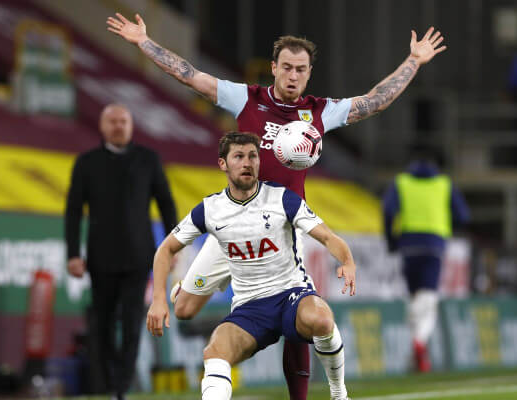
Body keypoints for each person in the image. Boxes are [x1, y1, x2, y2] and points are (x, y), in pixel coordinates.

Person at [107, 13, 446, 399]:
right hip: (232, 226)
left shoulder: (320, 111)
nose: (292, 75)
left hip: (283, 228)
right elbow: (190, 75)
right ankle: (199, 286)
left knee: (298, 317)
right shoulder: (246, 98)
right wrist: (143, 42)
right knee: (183, 308)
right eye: (286, 67)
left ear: (309, 73)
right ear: (274, 68)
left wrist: (413, 61)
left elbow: (374, 102)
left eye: (301, 69)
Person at [147, 132, 356, 400]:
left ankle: (339, 394)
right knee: (214, 352)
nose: (247, 163)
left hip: (291, 294)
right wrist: (157, 301)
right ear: (223, 164)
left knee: (322, 319)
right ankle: (185, 290)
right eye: (238, 157)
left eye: (252, 156)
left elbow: (327, 236)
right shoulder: (210, 209)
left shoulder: (282, 199)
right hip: (250, 305)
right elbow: (165, 249)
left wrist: (347, 261)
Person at [64, 104, 178, 399]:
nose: (118, 126)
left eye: (123, 121)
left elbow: (166, 203)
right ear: (102, 127)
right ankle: (112, 378)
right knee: (101, 325)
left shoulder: (148, 160)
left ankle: (121, 387)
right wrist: (73, 254)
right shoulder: (86, 163)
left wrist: (173, 245)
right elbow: (74, 211)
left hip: (139, 257)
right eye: (112, 122)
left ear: (131, 125)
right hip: (100, 259)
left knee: (131, 325)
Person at [382, 147, 469, 372]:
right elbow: (463, 215)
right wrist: (446, 224)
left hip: (408, 245)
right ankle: (419, 343)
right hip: (434, 246)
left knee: (414, 298)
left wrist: (392, 241)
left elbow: (388, 211)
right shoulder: (444, 184)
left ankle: (416, 352)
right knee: (428, 299)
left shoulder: (401, 182)